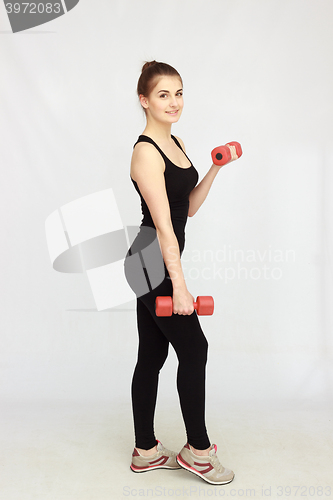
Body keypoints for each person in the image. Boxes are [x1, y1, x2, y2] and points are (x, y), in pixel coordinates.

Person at [126, 60, 239, 485]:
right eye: (162, 95)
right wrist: (180, 285)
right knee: (195, 348)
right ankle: (199, 451)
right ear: (144, 101)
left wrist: (214, 168)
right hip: (149, 258)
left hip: (156, 257)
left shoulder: (176, 142)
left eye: (178, 93)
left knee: (152, 356)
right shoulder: (144, 153)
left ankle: (146, 450)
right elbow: (164, 228)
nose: (173, 102)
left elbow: (185, 208)